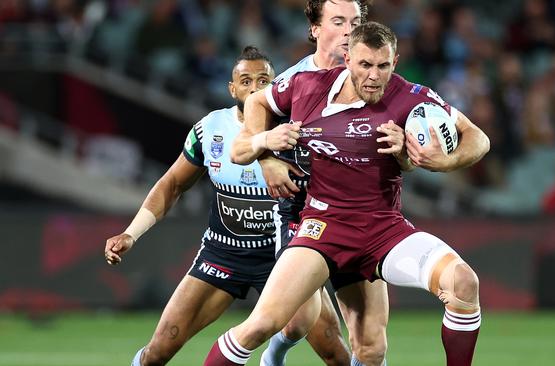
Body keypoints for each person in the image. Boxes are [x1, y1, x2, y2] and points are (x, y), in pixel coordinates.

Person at [206, 21, 490, 366]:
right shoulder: (305, 86)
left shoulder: (411, 97)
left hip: (383, 230)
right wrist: (264, 150)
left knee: (458, 285)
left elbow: (477, 138)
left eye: (383, 66)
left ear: (395, 61)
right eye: (365, 65)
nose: (374, 76)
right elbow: (257, 104)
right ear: (347, 58)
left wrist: (444, 161)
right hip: (322, 228)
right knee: (262, 324)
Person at [103, 46, 347, 366]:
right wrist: (131, 233)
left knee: (333, 350)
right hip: (223, 255)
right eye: (245, 81)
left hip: (285, 257)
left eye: (263, 80)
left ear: (276, 86)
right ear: (232, 89)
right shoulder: (210, 129)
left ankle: (276, 353)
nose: (255, 87)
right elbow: (172, 184)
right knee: (158, 352)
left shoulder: (295, 132)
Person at [232, 2, 390, 366]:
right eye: (338, 21)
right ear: (315, 29)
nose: (350, 30)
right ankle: (273, 356)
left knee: (371, 342)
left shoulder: (374, 77)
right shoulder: (297, 79)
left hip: (359, 213)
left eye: (356, 21)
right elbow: (256, 110)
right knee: (297, 322)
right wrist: (266, 158)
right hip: (302, 212)